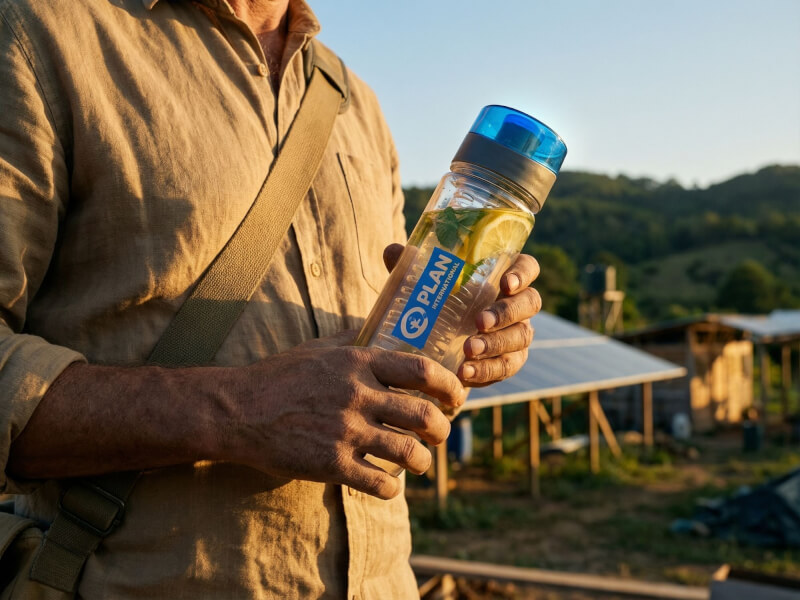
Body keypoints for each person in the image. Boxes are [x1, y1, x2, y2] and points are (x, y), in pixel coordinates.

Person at [0, 0, 542, 597]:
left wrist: (465, 341)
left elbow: (366, 372)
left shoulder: (354, 101)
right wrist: (239, 409)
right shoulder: (39, 33)